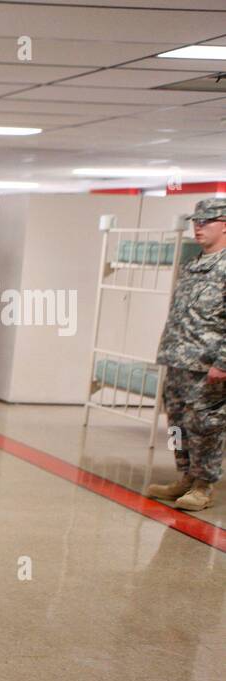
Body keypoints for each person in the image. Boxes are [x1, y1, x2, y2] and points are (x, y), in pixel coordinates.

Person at [146, 198, 226, 511]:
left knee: (205, 425)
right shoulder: (193, 263)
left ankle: (204, 485)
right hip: (178, 358)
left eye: (206, 222)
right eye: (196, 221)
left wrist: (223, 362)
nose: (198, 227)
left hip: (208, 365)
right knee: (177, 423)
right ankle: (185, 476)